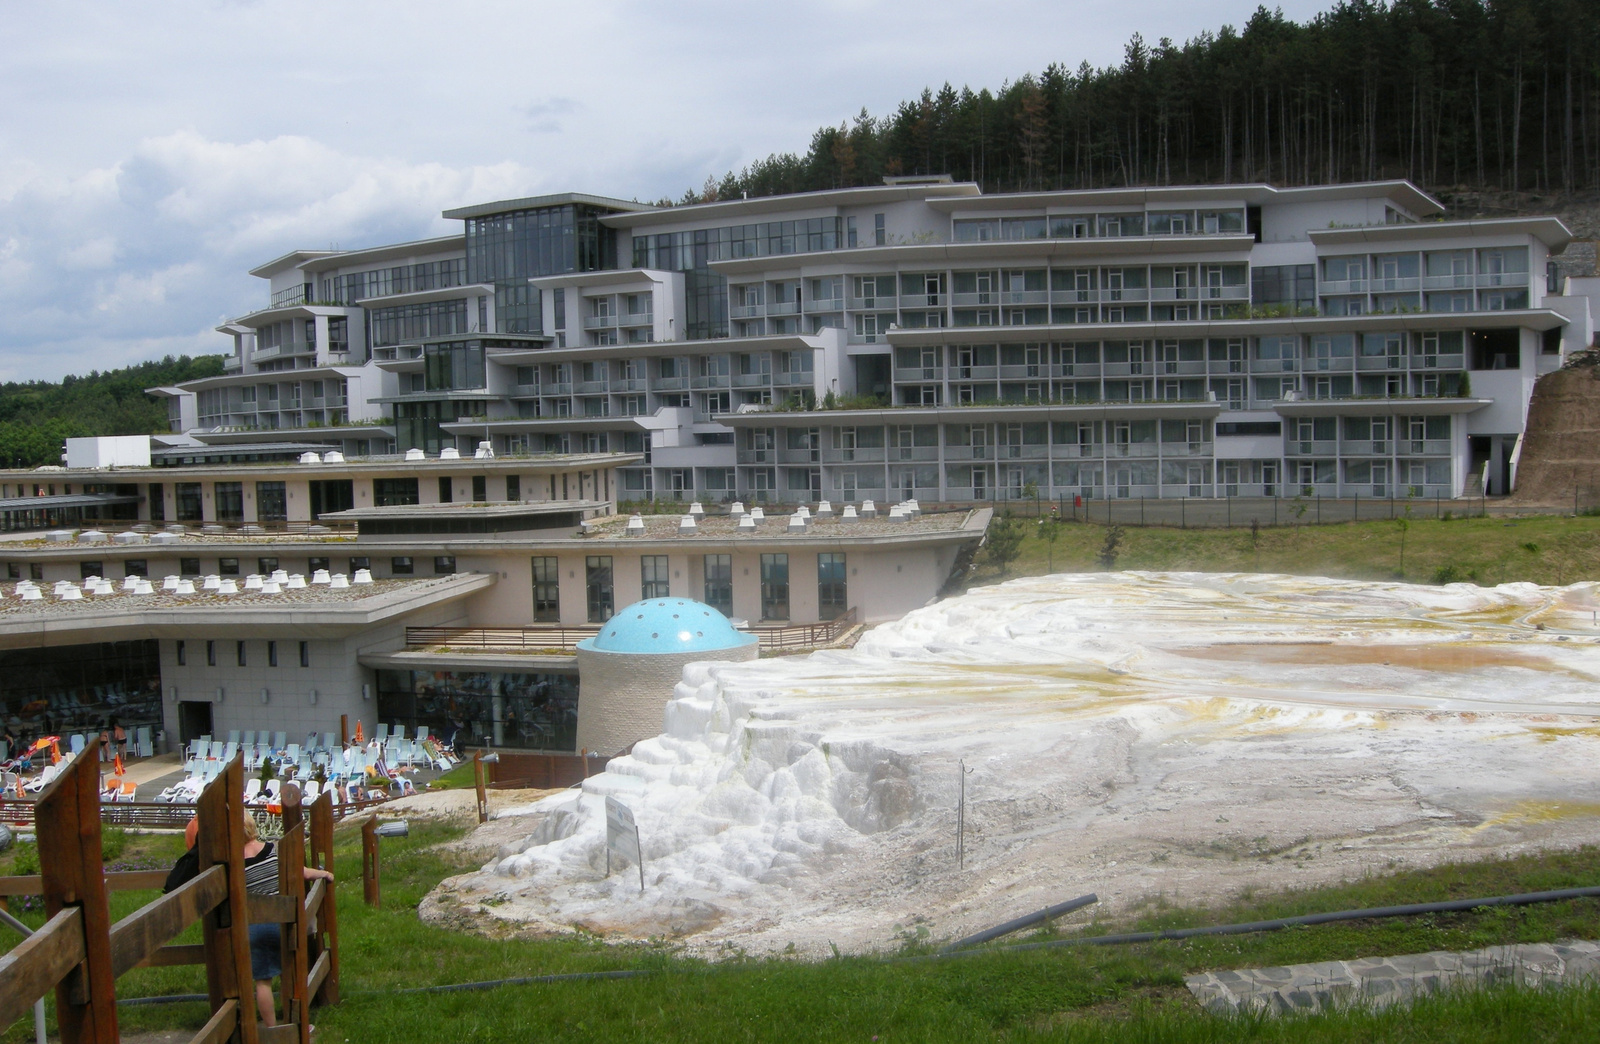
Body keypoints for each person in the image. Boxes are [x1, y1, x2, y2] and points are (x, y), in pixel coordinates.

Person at [163, 810, 334, 1029]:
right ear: (252, 825)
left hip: (254, 928)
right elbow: (301, 872)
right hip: (281, 923)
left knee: (262, 982)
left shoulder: (233, 864)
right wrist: (324, 874)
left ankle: (272, 1029)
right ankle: (298, 1024)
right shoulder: (274, 850)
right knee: (290, 976)